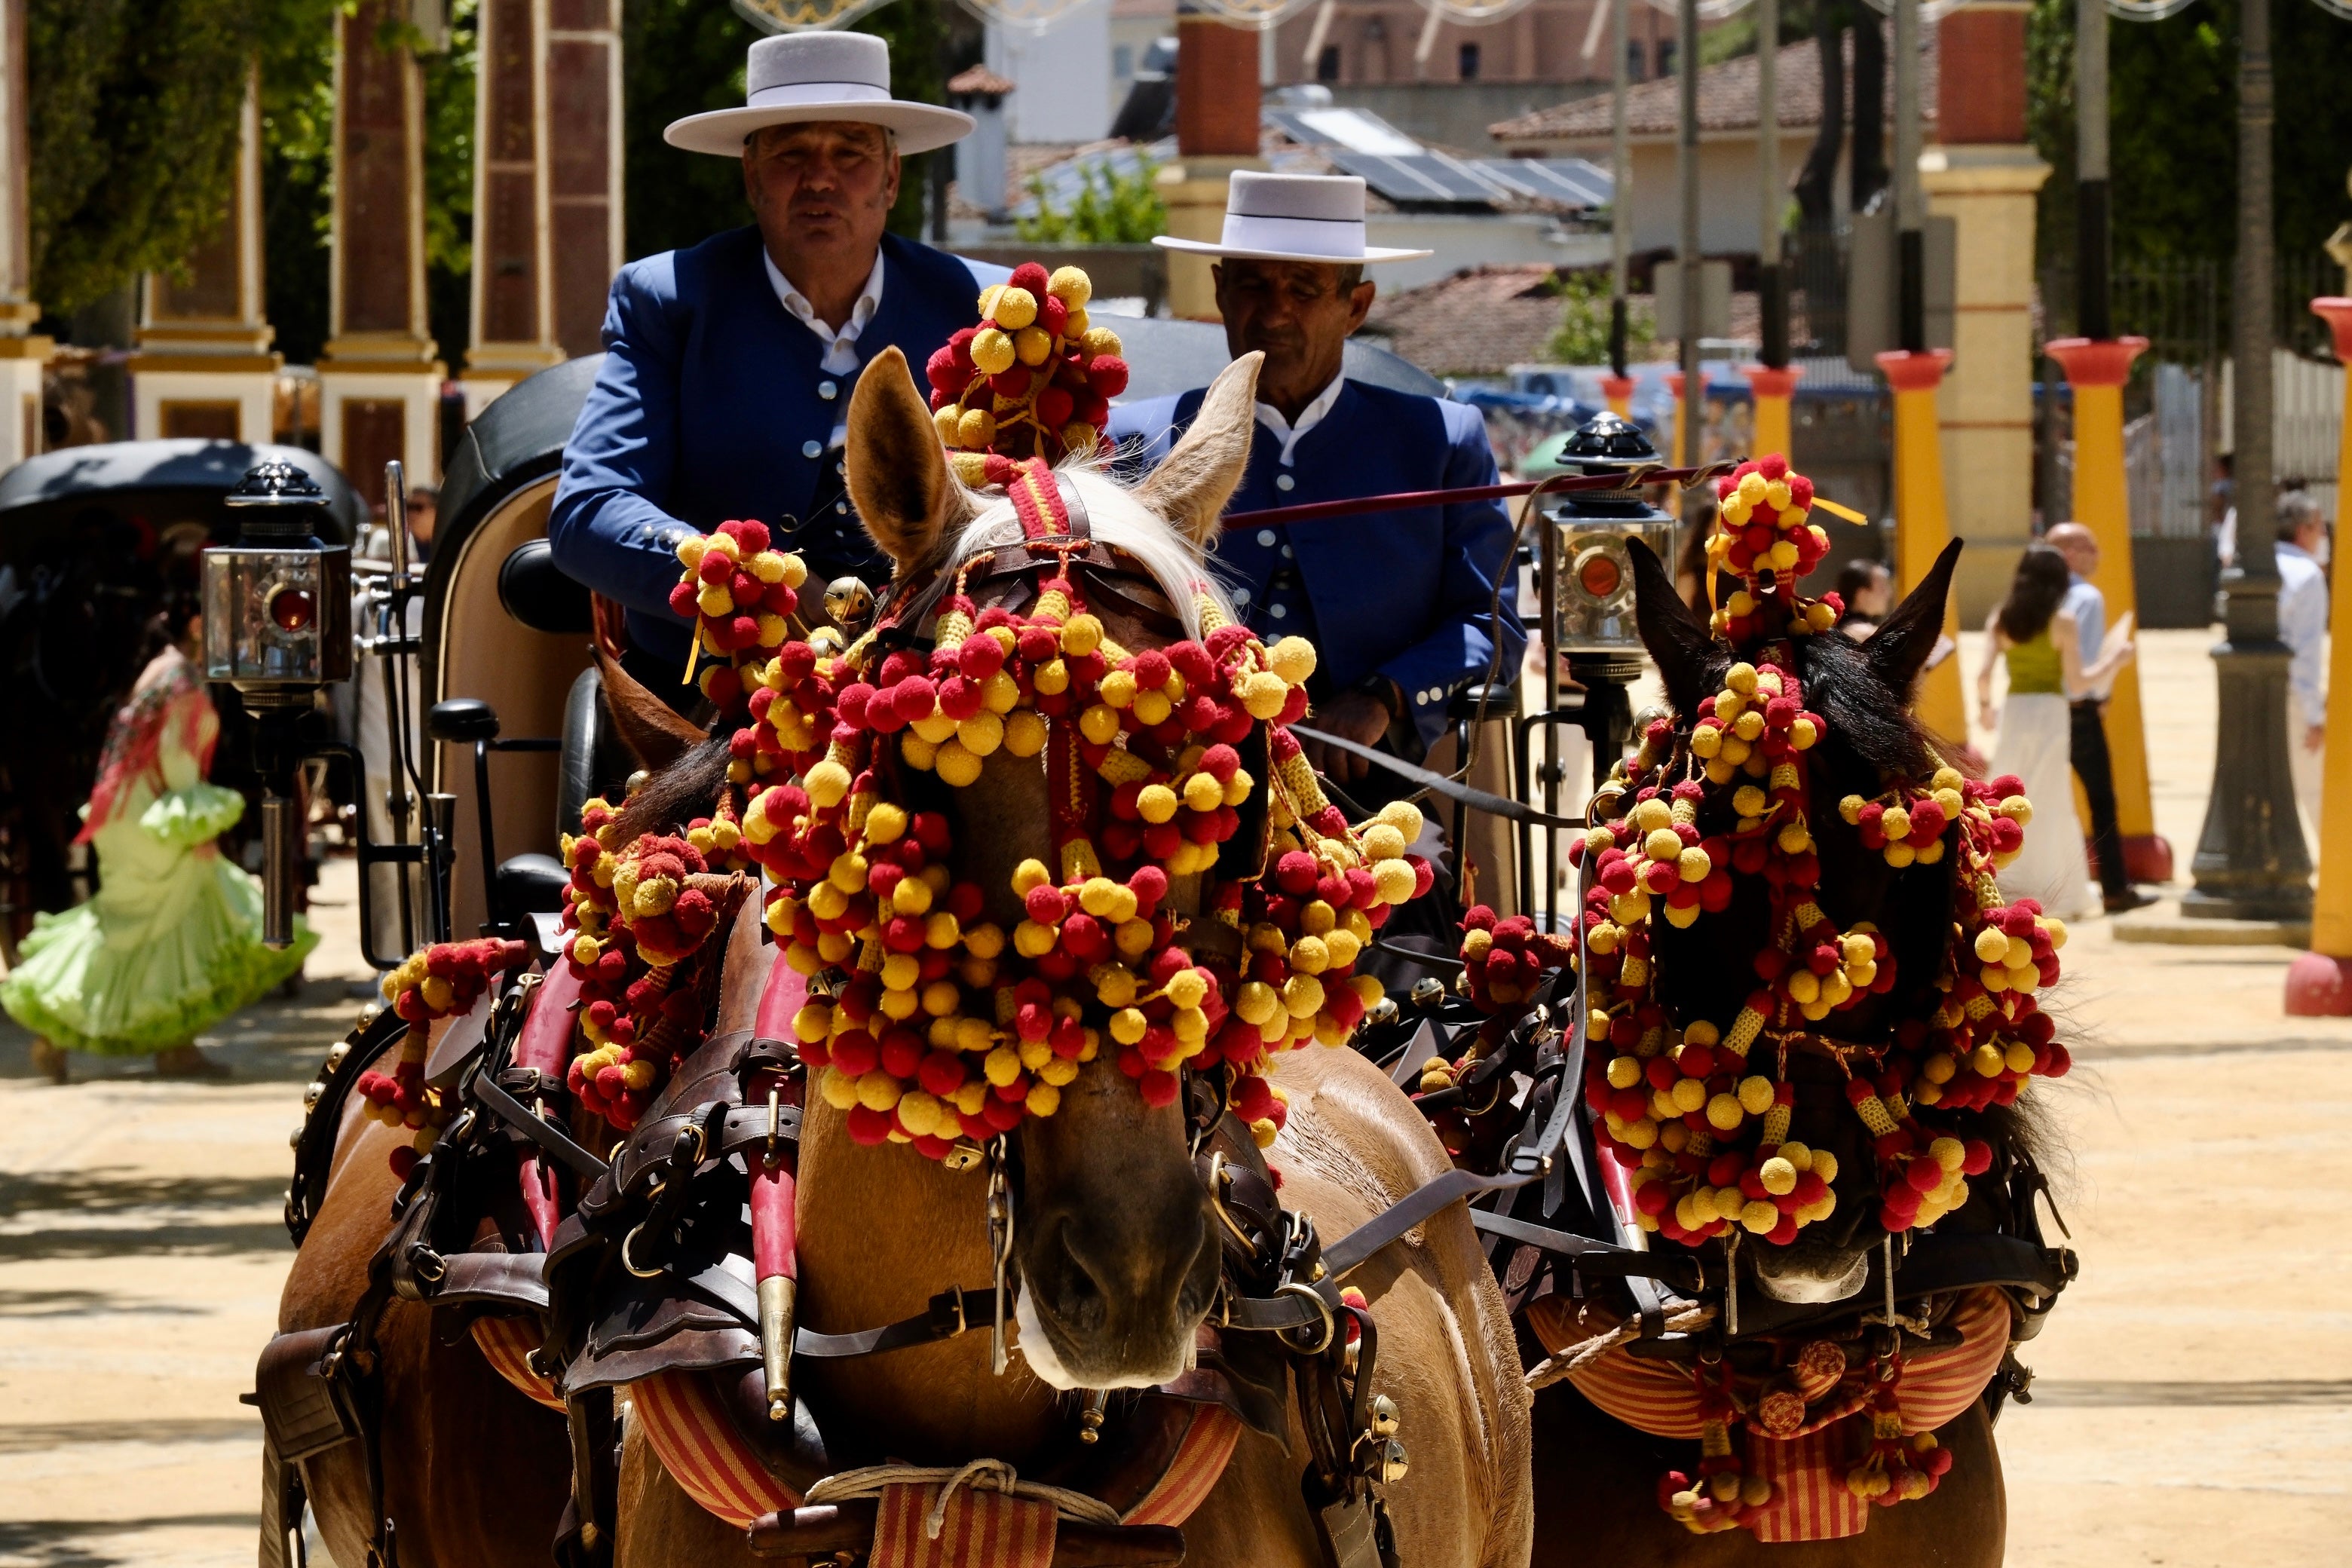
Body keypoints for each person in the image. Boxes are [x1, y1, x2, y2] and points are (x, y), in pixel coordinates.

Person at [550, 33, 997, 699]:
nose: (821, 178)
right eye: (791, 154)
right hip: (710, 702)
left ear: (892, 178)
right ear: (752, 178)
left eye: (851, 153)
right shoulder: (668, 301)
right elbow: (589, 512)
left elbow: (1051, 507)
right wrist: (757, 583)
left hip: (948, 695)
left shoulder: (987, 311)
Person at [1109, 173, 1523, 790]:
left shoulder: (1440, 439)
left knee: (1428, 888)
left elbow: (1491, 624)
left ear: (1356, 307)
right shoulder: (1137, 439)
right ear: (1221, 291)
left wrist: (1385, 697)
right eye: (1252, 285)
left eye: (1303, 289)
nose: (1274, 311)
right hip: (1178, 786)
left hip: (1368, 793)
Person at [0, 603, 317, 1081]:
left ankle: (123, 1040)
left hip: (128, 817)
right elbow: (175, 757)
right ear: (197, 625)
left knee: (141, 930)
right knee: (172, 922)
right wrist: (195, 816)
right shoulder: (182, 679)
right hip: (152, 820)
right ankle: (140, 1043)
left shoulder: (160, 669)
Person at [1974, 546, 2135, 920]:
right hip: (2050, 712)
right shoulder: (2063, 620)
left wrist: (1985, 708)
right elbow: (2079, 682)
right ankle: (2054, 891)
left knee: (2007, 792)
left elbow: (1983, 675)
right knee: (2049, 798)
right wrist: (2115, 660)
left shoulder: (2002, 619)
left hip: (2015, 711)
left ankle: (2001, 881)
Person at [2042, 522, 2151, 913]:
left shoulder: (2034, 598)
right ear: (2069, 554)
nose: (2098, 554)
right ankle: (2115, 889)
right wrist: (2115, 662)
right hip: (2079, 714)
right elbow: (2083, 670)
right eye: (2089, 547)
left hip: (2039, 711)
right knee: (2101, 801)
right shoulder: (2086, 598)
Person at [2275, 490, 2329, 855]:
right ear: (2303, 530)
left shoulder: (2255, 563)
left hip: (2250, 689)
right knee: (2315, 786)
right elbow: (2305, 651)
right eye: (2320, 527)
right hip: (2293, 693)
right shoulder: (2307, 575)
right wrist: (2315, 715)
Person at [1831, 559, 1891, 639]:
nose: (1889, 593)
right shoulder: (1865, 634)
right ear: (1862, 594)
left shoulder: (1840, 630)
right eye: (1882, 588)